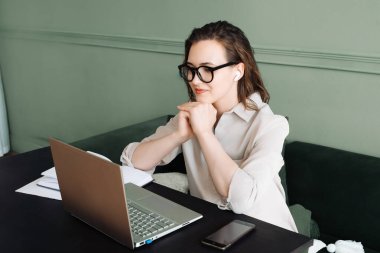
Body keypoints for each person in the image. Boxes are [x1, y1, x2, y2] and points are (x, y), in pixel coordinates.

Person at [121, 20, 297, 232]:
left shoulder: (270, 125)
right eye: (191, 69)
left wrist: (204, 134)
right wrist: (177, 135)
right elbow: (133, 163)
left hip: (270, 235)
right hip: (213, 230)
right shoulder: (191, 115)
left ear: (238, 70)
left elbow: (241, 201)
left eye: (207, 69)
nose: (195, 80)